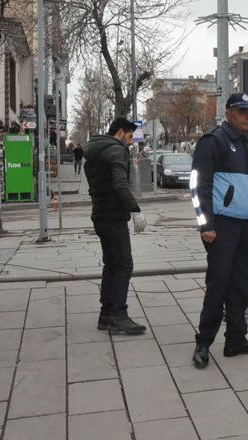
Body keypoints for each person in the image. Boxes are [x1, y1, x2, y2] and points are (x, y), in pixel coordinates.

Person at [190, 92, 248, 369]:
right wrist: (206, 224)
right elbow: (198, 186)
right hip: (221, 227)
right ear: (229, 113)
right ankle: (203, 342)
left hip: (245, 227)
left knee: (241, 285)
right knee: (219, 285)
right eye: (243, 111)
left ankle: (236, 339)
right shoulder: (215, 141)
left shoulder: (246, 145)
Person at [84, 117, 147, 335]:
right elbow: (120, 183)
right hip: (113, 216)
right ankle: (119, 315)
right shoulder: (116, 150)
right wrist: (135, 209)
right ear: (120, 132)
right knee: (124, 265)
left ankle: (105, 314)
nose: (130, 142)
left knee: (111, 264)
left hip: (100, 214)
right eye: (130, 137)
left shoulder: (94, 150)